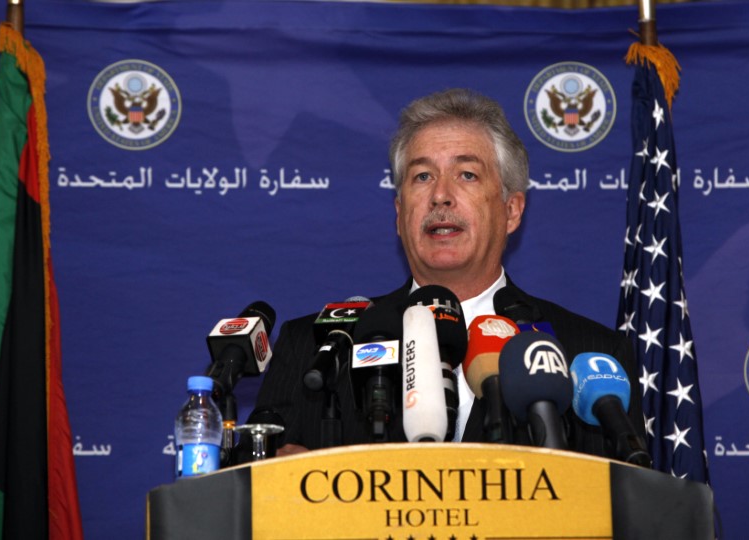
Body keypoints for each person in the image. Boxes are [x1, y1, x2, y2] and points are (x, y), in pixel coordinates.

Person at [252, 88, 644, 458]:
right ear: (399, 214)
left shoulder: (584, 355)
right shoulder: (316, 349)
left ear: (512, 211)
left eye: (467, 175)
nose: (440, 195)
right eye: (422, 176)